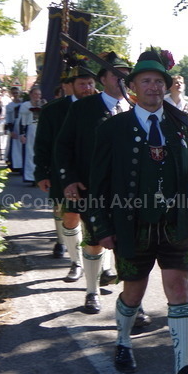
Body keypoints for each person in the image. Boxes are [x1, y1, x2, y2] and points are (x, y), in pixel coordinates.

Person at [88, 48, 188, 374]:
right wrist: (101, 227)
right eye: (146, 81)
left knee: (178, 287)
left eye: (159, 82)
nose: (154, 87)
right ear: (134, 87)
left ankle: (183, 365)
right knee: (134, 291)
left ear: (167, 87)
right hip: (131, 224)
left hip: (175, 223)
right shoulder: (114, 129)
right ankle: (123, 342)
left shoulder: (179, 127)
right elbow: (98, 183)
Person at [56, 52, 132, 312]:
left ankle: (133, 300)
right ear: (103, 79)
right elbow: (63, 146)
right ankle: (92, 291)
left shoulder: (136, 108)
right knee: (94, 240)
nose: (122, 78)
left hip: (129, 192)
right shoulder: (83, 108)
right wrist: (69, 180)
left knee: (129, 244)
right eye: (116, 74)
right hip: (92, 188)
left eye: (125, 74)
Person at [36, 62, 95, 265]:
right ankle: (75, 261)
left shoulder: (101, 107)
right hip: (62, 172)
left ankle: (98, 267)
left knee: (95, 221)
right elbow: (43, 144)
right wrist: (41, 173)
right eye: (82, 84)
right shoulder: (53, 111)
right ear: (70, 86)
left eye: (90, 83)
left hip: (93, 173)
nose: (87, 88)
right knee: (69, 217)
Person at [17, 87, 43, 184]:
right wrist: (22, 134)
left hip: (40, 129)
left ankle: (41, 176)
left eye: (39, 94)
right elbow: (22, 120)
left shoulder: (43, 104)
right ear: (31, 95)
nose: (37, 96)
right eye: (35, 94)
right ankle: (31, 176)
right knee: (30, 153)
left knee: (40, 153)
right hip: (30, 128)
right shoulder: (25, 105)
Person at [4, 87, 23, 173]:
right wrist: (11, 131)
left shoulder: (25, 103)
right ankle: (15, 165)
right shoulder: (10, 106)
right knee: (15, 147)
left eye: (17, 93)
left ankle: (23, 165)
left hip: (24, 126)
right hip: (15, 127)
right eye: (14, 93)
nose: (15, 95)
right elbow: (9, 119)